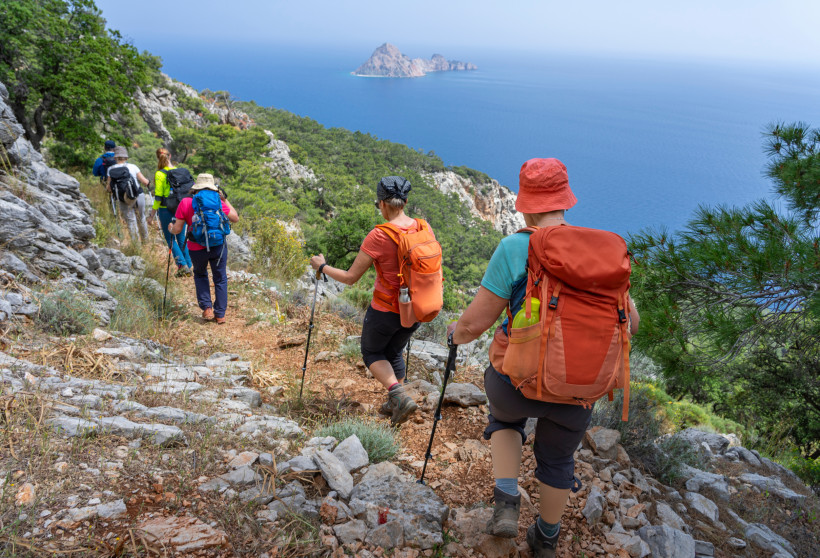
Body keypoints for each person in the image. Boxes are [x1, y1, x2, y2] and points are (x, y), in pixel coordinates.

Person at [446, 158, 639, 557]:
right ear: (565, 201)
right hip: (578, 390)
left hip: (517, 385)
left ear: (525, 204)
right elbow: (631, 324)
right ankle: (546, 538)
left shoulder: (515, 247)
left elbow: (474, 325)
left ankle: (506, 501)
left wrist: (455, 334)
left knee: (504, 417)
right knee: (557, 459)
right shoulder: (601, 255)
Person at [309, 176, 429, 427]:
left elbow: (351, 278)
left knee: (373, 352)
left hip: (386, 310)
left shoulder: (379, 235)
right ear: (405, 202)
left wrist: (323, 266)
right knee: (394, 351)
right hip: (417, 309)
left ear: (383, 204)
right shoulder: (423, 228)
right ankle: (396, 401)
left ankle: (398, 394)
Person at [169, 173, 239, 324]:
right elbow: (235, 217)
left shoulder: (186, 202)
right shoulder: (217, 201)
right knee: (220, 278)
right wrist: (224, 198)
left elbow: (178, 229)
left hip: (196, 247)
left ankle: (207, 309)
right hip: (218, 245)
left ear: (195, 187)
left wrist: (170, 229)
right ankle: (220, 314)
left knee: (200, 274)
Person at [147, 148, 193, 276]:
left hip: (165, 209)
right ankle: (189, 264)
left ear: (158, 158)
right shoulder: (180, 172)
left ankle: (182, 266)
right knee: (181, 236)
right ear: (170, 156)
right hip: (181, 207)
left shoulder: (160, 174)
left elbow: (158, 197)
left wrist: (151, 215)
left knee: (170, 238)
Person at [106, 146, 151, 245]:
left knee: (131, 220)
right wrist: (149, 182)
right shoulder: (133, 167)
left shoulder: (111, 169)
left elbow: (109, 188)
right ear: (126, 157)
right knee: (142, 217)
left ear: (115, 157)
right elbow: (144, 182)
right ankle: (146, 241)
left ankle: (136, 245)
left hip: (123, 198)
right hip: (137, 195)